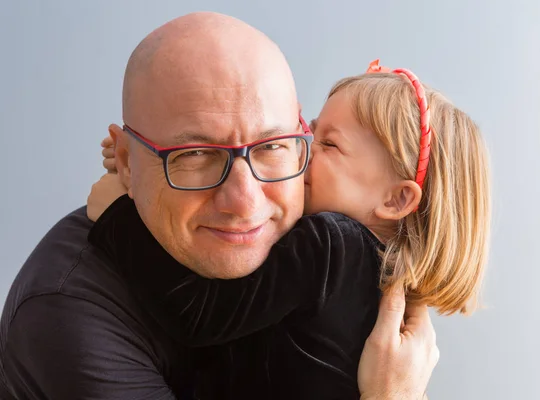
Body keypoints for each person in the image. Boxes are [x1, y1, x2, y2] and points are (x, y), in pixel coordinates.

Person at [0, 12, 439, 400]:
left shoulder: (325, 244)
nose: (244, 201)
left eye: (271, 146)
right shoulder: (67, 317)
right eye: (194, 155)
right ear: (127, 163)